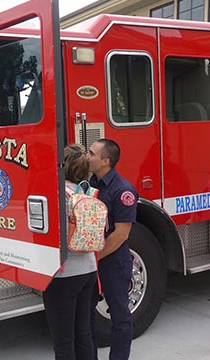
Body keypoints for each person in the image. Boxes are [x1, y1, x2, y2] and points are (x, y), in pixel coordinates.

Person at [43, 144, 98, 360]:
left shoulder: (58, 195)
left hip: (64, 275)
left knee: (63, 342)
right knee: (83, 334)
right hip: (88, 270)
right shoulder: (85, 192)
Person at [86, 138, 138, 360]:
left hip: (113, 262)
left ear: (105, 161)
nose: (87, 157)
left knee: (120, 315)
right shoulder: (90, 184)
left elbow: (121, 234)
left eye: (91, 153)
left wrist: (95, 257)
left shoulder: (123, 191)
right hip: (91, 260)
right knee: (86, 315)